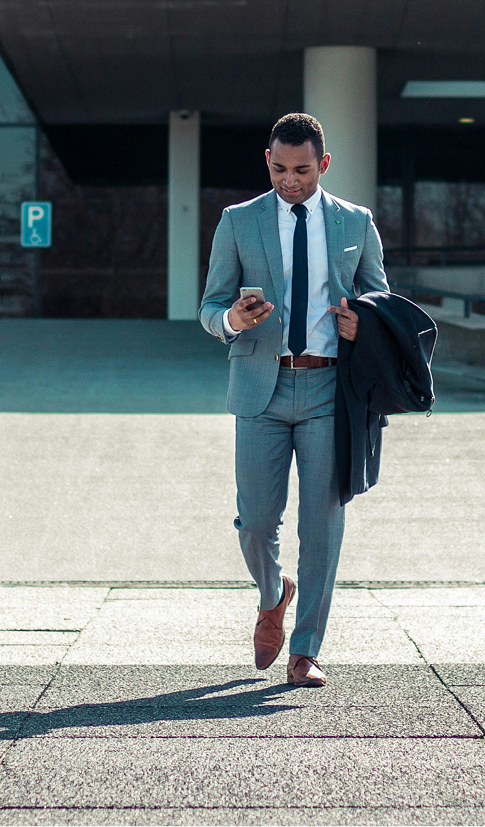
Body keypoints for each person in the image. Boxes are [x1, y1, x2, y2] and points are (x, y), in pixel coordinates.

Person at [199, 112, 389, 687]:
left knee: (323, 523)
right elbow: (208, 308)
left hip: (331, 390)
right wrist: (231, 319)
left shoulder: (356, 222)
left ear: (323, 165)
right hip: (261, 386)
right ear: (268, 162)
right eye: (279, 169)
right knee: (256, 522)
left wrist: (366, 324)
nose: (290, 180)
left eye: (302, 170)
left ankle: (305, 650)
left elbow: (381, 297)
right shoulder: (238, 222)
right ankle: (273, 590)